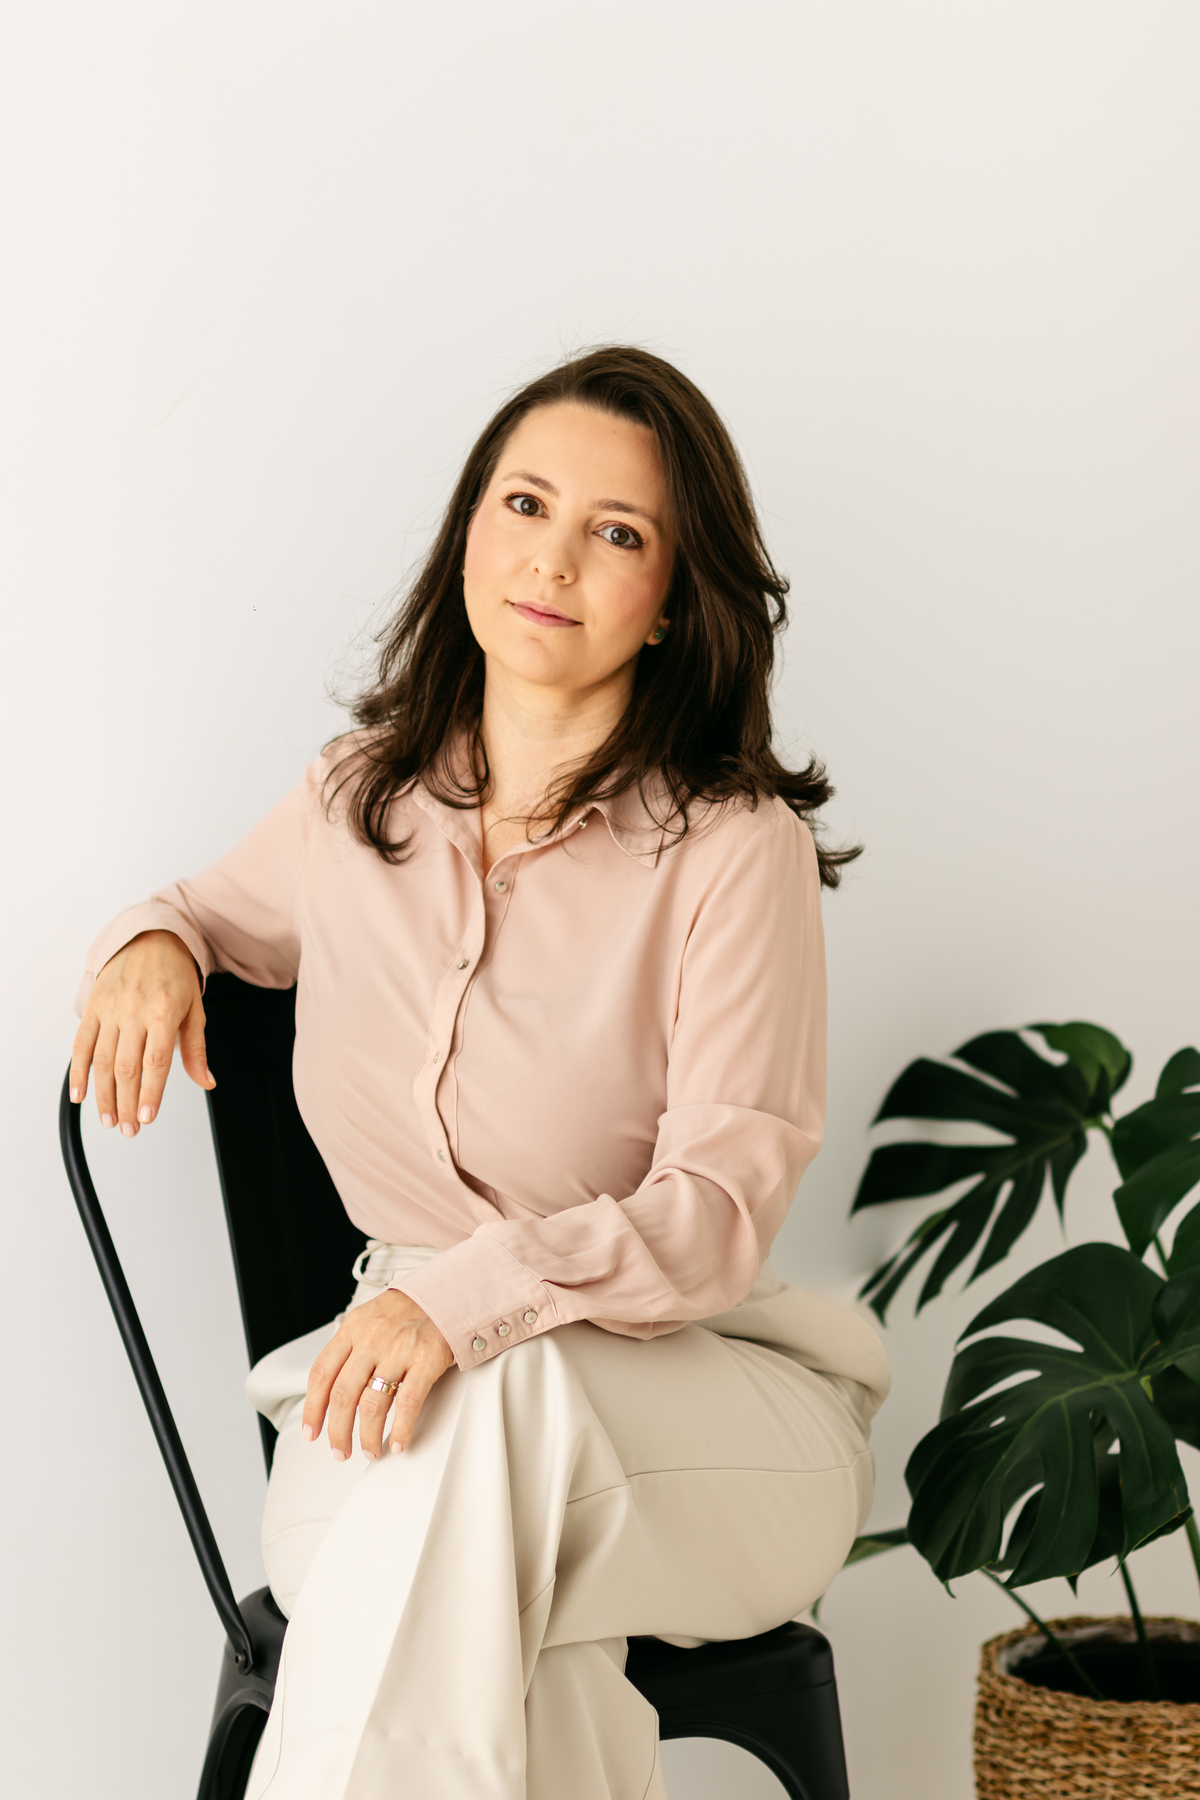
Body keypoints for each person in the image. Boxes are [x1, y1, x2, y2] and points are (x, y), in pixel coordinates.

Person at [71, 346, 889, 1800]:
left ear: (672, 599)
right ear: (468, 531)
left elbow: (713, 1213)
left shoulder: (732, 850)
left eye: (617, 532)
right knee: (504, 1632)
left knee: (511, 1402)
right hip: (377, 1413)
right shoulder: (356, 801)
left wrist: (469, 1302)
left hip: (691, 1413)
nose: (553, 559)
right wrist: (149, 942)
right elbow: (203, 914)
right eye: (524, 504)